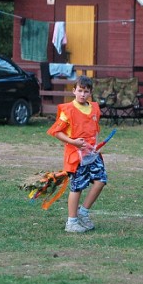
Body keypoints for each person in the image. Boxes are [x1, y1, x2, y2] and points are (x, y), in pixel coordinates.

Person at [47, 75, 107, 233]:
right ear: (74, 91)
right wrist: (73, 142)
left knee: (101, 180)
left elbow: (95, 129)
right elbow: (57, 132)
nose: (82, 94)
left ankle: (83, 212)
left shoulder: (94, 108)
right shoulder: (68, 110)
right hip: (76, 156)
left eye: (86, 91)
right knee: (77, 187)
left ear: (90, 93)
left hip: (92, 154)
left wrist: (97, 145)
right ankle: (71, 222)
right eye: (80, 91)